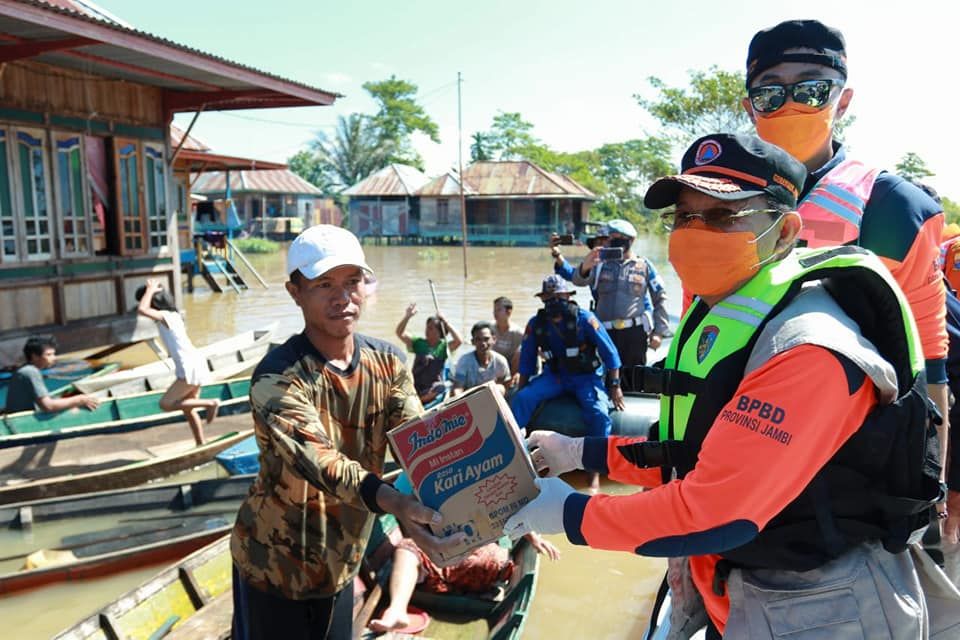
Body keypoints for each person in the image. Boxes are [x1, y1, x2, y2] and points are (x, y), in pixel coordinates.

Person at [505, 133, 948, 638]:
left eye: (722, 216)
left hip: (819, 609)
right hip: (733, 589)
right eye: (685, 216)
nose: (695, 232)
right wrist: (580, 451)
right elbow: (693, 452)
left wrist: (569, 513)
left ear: (784, 233)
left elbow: (714, 512)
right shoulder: (726, 307)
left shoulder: (808, 347)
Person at [742, 19, 954, 532]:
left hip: (844, 479)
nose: (790, 104)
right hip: (734, 456)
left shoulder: (892, 207)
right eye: (770, 94)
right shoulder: (714, 198)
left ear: (844, 98)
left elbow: (930, 360)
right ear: (750, 107)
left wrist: (934, 485)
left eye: (812, 89)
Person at [230, 225, 464, 640]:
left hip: (342, 562)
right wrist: (396, 503)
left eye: (352, 281)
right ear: (294, 291)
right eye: (324, 284)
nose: (343, 297)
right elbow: (321, 462)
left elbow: (420, 441)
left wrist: (472, 495)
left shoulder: (389, 363)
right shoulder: (277, 376)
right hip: (275, 568)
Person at [368, 474, 560, 634]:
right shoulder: (479, 469)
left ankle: (397, 608)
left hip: (450, 557)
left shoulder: (415, 473)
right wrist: (534, 538)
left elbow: (393, 500)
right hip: (485, 569)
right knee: (494, 558)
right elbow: (509, 507)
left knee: (407, 548)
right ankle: (474, 590)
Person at [510, 274, 623, 492]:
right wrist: (520, 389)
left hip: (585, 377)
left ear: (567, 296)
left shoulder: (584, 318)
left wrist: (615, 385)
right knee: (523, 399)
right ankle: (515, 459)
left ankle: (593, 473)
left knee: (599, 413)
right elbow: (527, 359)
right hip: (555, 376)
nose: (553, 302)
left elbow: (610, 352)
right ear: (543, 300)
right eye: (548, 298)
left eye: (557, 297)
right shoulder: (536, 324)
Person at [571, 219, 670, 387]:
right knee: (604, 377)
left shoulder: (644, 266)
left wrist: (659, 332)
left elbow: (660, 297)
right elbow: (578, 281)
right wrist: (585, 265)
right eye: (609, 238)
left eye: (616, 238)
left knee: (634, 377)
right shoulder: (599, 264)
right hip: (603, 331)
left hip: (634, 333)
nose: (611, 241)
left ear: (630, 240)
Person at [136, 279, 218, 445]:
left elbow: (142, 309)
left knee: (165, 404)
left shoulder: (166, 316)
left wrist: (150, 290)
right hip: (194, 362)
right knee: (188, 409)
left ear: (155, 303)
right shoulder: (173, 316)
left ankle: (211, 404)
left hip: (189, 365)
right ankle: (200, 443)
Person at [2, 336, 100, 414]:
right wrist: (79, 399)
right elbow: (48, 406)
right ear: (34, 356)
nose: (54, 358)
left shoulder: (24, 370)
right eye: (48, 355)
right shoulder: (31, 372)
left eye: (53, 354)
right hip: (20, 422)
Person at [395, 303, 463, 406]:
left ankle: (419, 400)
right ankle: (416, 398)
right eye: (427, 327)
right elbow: (400, 333)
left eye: (431, 328)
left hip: (432, 386)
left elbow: (459, 340)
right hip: (416, 383)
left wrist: (446, 322)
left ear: (439, 332)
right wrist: (407, 316)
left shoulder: (444, 347)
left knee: (443, 387)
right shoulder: (419, 343)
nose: (427, 330)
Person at [451, 322, 511, 397]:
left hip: (492, 400)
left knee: (500, 388)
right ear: (473, 342)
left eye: (486, 339)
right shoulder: (464, 361)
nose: (483, 343)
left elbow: (506, 385)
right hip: (469, 399)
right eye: (478, 339)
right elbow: (458, 387)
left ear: (494, 340)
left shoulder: (500, 361)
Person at [492, 296, 523, 381]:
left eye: (498, 310)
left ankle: (512, 379)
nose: (494, 313)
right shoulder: (489, 329)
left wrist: (518, 373)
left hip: (511, 367)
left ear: (509, 312)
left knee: (521, 351)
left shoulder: (518, 333)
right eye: (494, 310)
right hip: (494, 366)